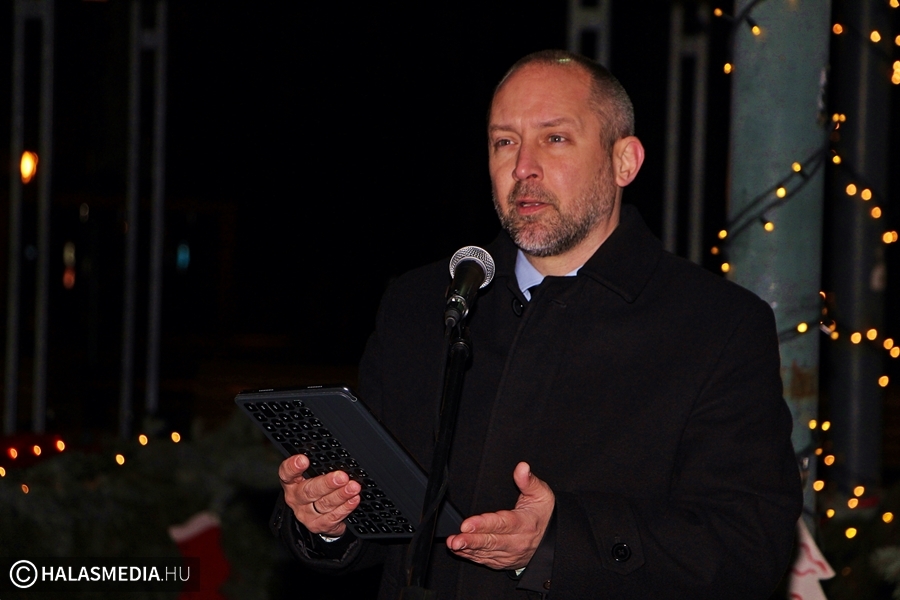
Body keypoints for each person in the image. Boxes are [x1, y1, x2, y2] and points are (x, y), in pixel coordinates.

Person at [272, 49, 802, 599]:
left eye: (555, 138)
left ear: (624, 161)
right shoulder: (421, 304)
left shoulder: (715, 326)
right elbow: (381, 526)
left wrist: (557, 546)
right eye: (504, 142)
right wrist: (327, 520)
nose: (523, 166)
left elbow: (748, 549)